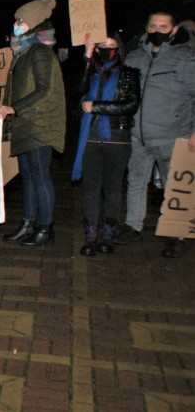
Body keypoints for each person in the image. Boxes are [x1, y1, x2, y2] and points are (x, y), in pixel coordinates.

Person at [117, 12, 195, 258]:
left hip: (172, 135)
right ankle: (132, 225)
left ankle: (176, 235)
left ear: (173, 30)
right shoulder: (134, 56)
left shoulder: (185, 57)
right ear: (147, 28)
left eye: (163, 26)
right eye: (153, 25)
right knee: (136, 182)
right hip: (138, 135)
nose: (158, 30)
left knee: (177, 187)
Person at [0, 0, 66, 248]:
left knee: (40, 176)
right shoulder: (26, 51)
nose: (16, 24)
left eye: (21, 20)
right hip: (26, 125)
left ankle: (46, 228)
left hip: (39, 125)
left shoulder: (39, 52)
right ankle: (28, 223)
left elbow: (45, 89)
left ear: (34, 22)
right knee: (27, 176)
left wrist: (15, 108)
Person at [71, 34, 140, 256]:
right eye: (103, 46)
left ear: (119, 49)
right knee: (91, 189)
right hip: (90, 138)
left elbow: (130, 105)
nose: (108, 50)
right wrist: (87, 55)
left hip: (117, 139)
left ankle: (107, 237)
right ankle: (90, 237)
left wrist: (98, 106)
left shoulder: (130, 74)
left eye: (112, 46)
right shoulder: (90, 72)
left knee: (112, 188)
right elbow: (78, 89)